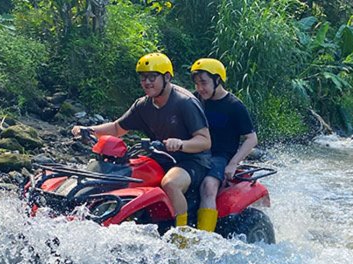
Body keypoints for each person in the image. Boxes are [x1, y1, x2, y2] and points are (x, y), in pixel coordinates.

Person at [71, 52, 211, 228]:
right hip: (159, 156)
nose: (147, 82)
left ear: (167, 77)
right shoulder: (143, 104)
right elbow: (117, 128)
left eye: (152, 77)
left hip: (192, 160)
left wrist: (181, 144)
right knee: (121, 172)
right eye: (143, 78)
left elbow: (205, 141)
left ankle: (182, 235)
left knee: (171, 183)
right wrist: (88, 130)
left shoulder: (185, 102)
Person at [190, 58, 257, 232]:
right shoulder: (195, 99)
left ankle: (205, 238)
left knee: (208, 186)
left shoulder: (235, 106)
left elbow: (251, 138)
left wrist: (233, 163)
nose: (199, 88)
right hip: (194, 150)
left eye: (203, 83)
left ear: (217, 80)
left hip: (220, 156)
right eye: (197, 84)